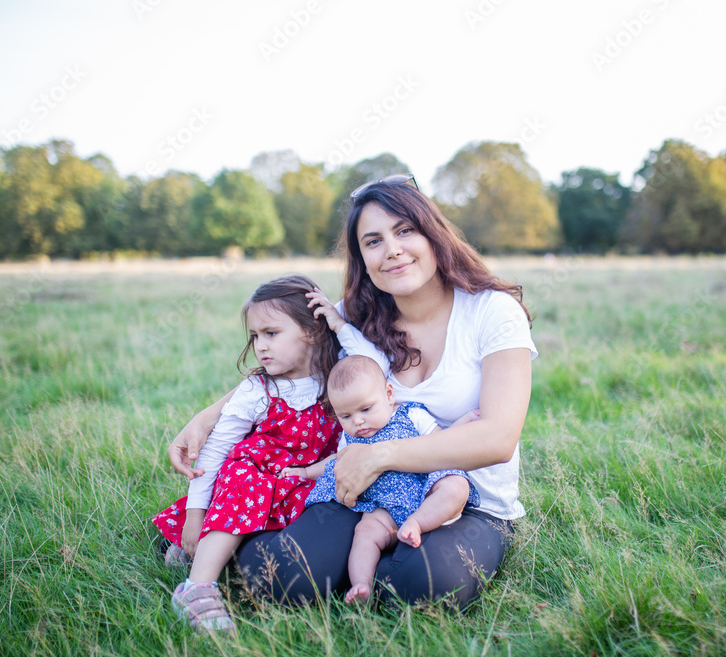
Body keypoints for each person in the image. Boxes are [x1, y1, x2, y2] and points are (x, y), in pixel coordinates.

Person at [168, 173, 536, 609]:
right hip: (367, 491)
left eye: (405, 231)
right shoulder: (351, 318)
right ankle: (220, 543)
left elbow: (497, 438)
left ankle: (372, 566)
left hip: (467, 499)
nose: (392, 250)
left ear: (433, 234)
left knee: (421, 586)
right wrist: (209, 415)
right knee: (283, 578)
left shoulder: (492, 312)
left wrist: (378, 455)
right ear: (361, 258)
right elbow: (290, 363)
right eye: (373, 241)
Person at [152, 274, 342, 634]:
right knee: (244, 482)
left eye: (271, 333)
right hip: (253, 483)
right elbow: (215, 451)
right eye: (255, 336)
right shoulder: (258, 389)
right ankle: (197, 588)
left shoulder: (338, 380)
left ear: (313, 331)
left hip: (304, 482)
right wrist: (195, 515)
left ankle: (201, 551)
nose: (260, 346)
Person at [281, 354, 480, 604]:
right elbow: (336, 461)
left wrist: (463, 423)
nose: (358, 421)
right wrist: (307, 472)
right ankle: (361, 585)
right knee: (364, 533)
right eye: (345, 416)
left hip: (423, 489)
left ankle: (417, 523)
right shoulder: (351, 438)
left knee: (455, 486)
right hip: (383, 507)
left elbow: (440, 441)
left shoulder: (411, 414)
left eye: (366, 409)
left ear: (388, 395)